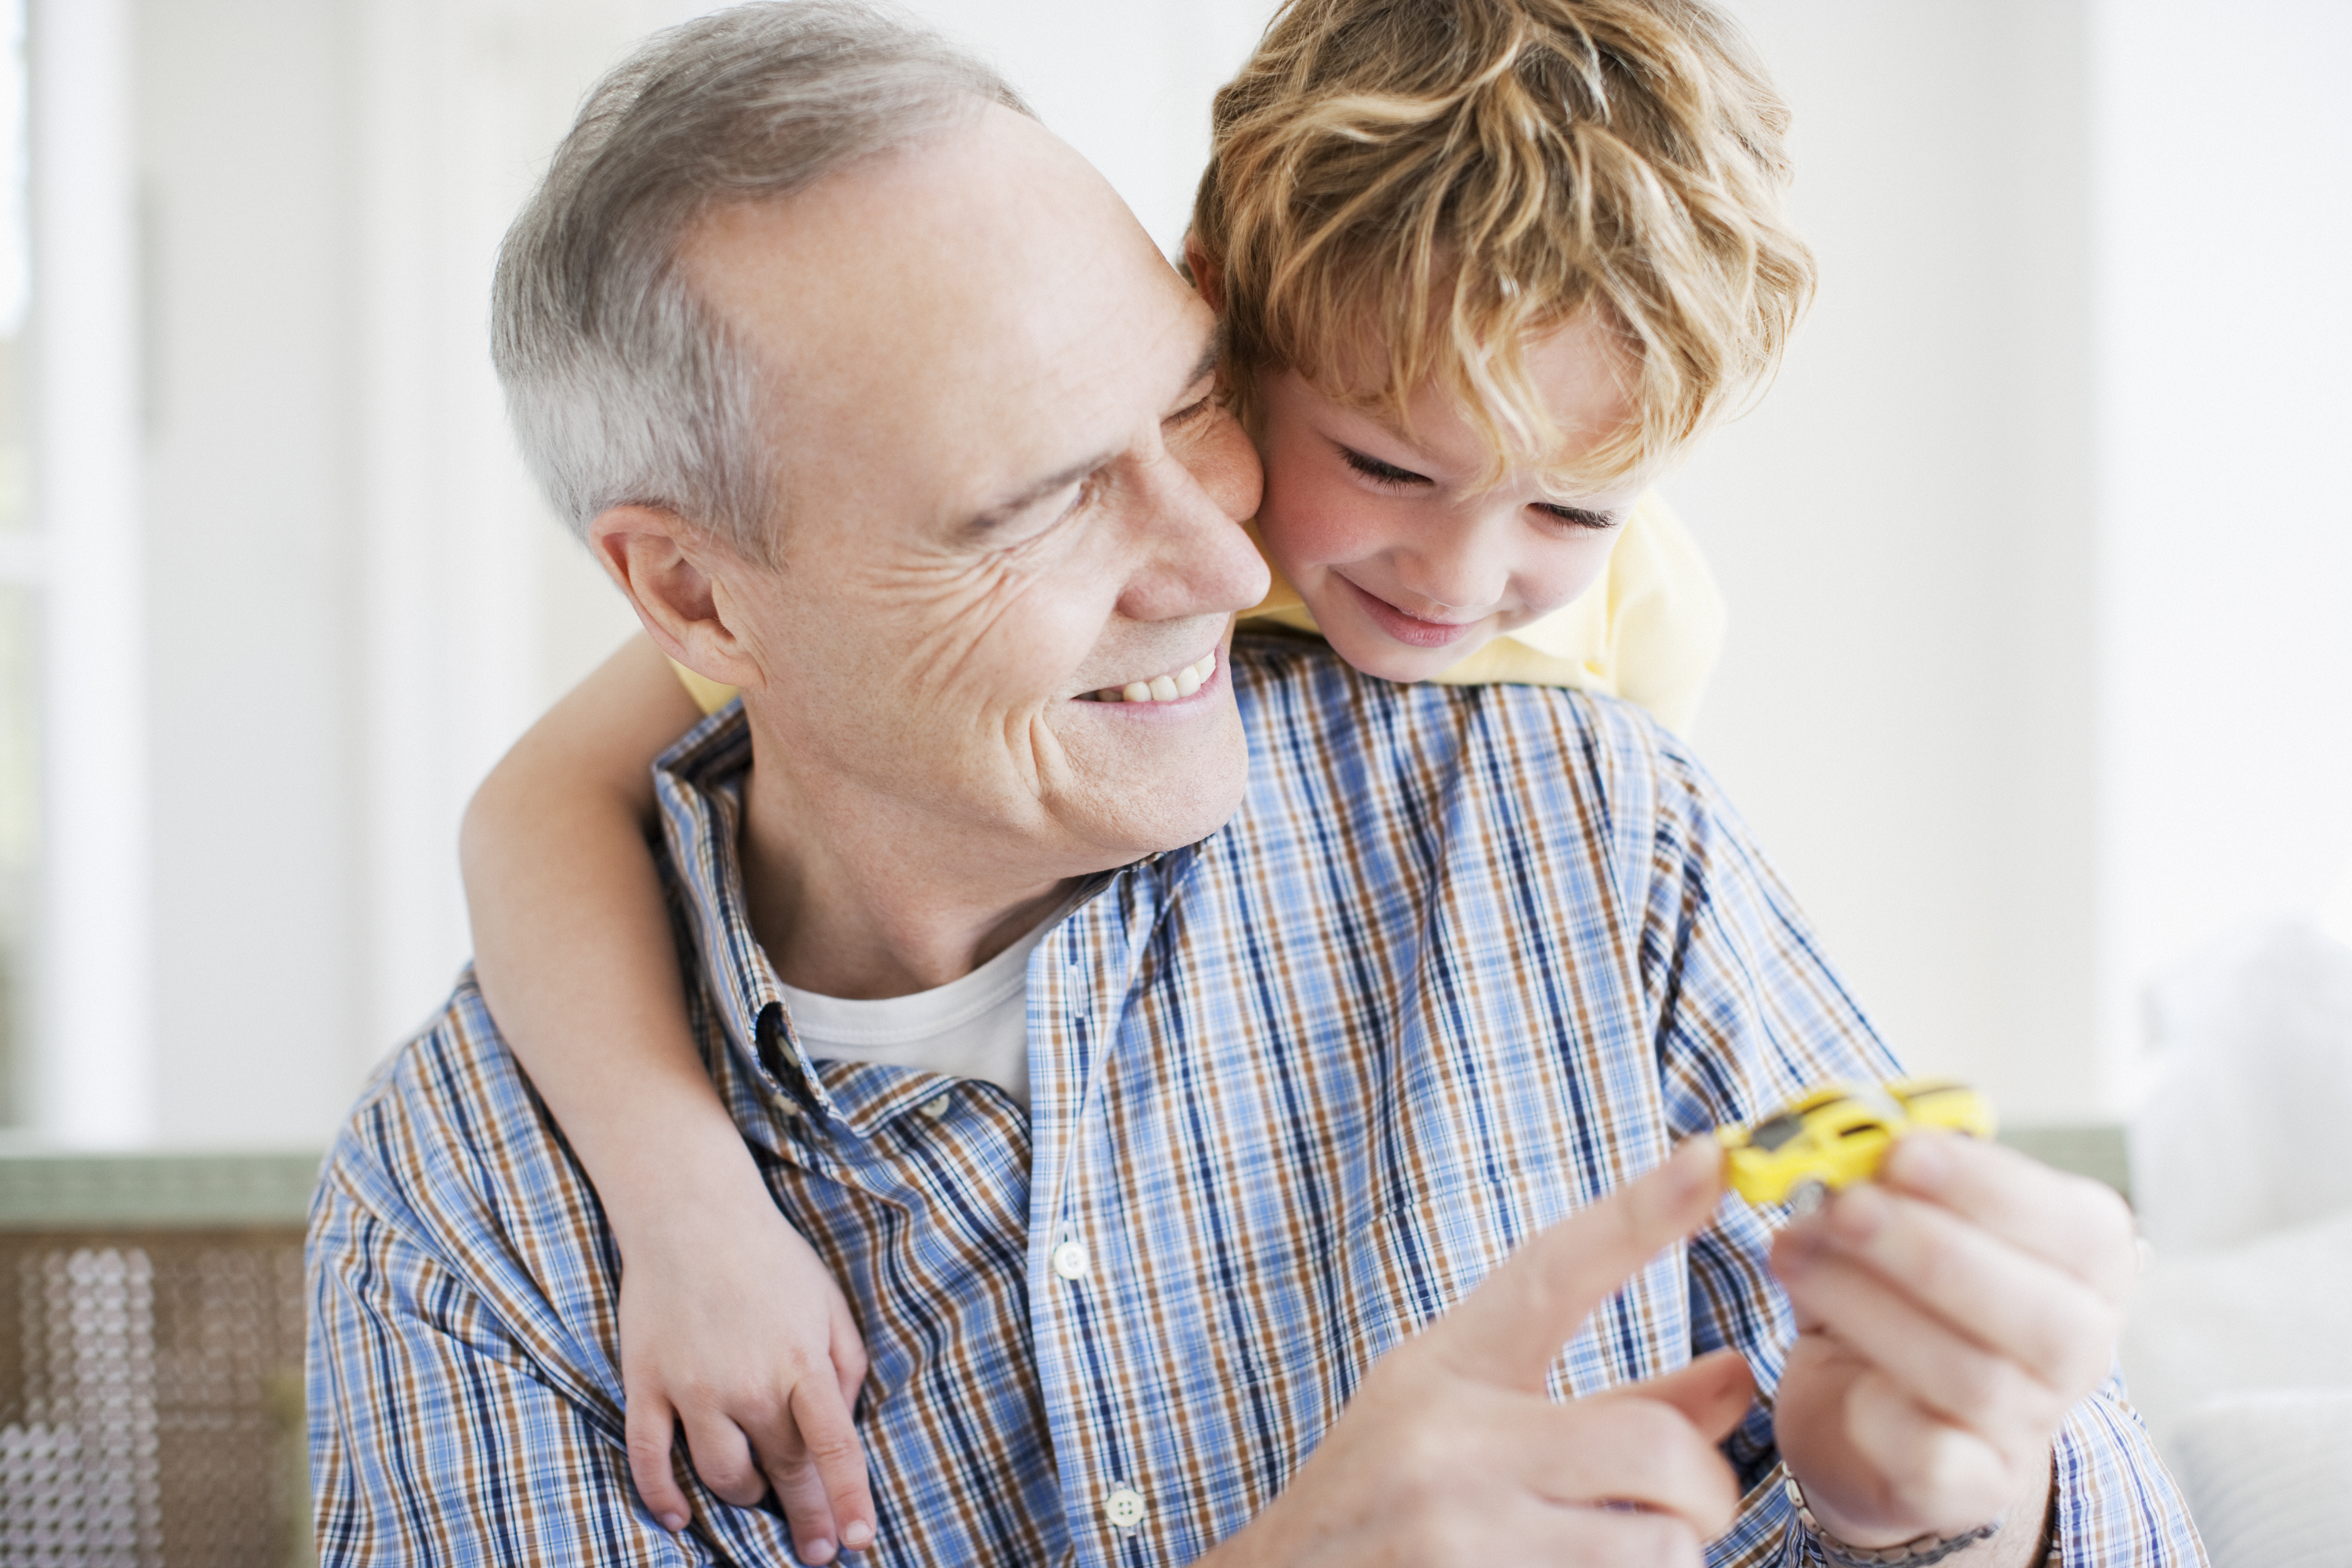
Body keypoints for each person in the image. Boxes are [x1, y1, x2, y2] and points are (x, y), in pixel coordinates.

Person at [308, 5, 2203, 1566]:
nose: (1233, 566)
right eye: (1036, 495)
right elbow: (534, 803)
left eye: (1192, 405)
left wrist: (1955, 1507)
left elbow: (2091, 1511)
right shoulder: (476, 1222)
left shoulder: (1572, 824)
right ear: (692, 591)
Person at [459, 0, 1762, 1552]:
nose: (1464, 578)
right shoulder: (468, 1217)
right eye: (1387, 470)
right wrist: (683, 1193)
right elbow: (536, 807)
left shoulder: (1603, 718)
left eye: (1573, 512)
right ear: (1230, 301)